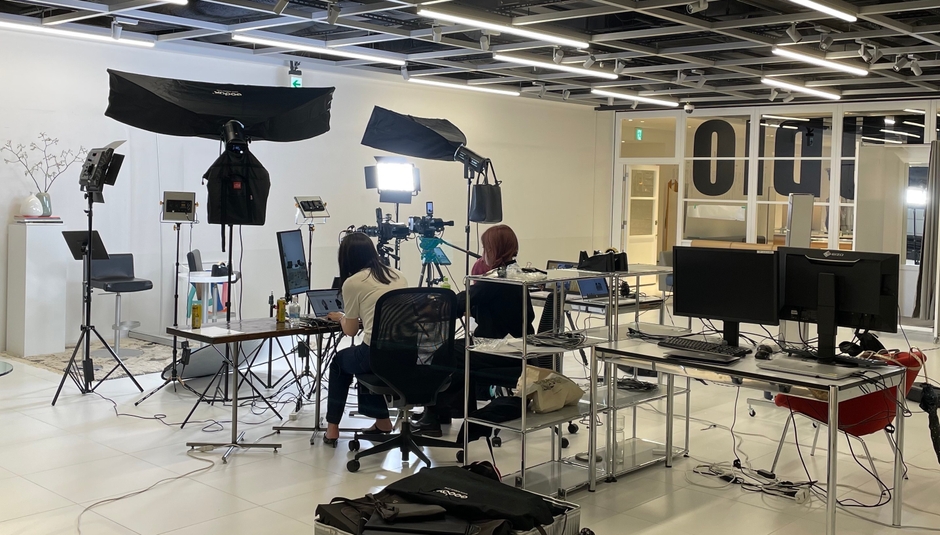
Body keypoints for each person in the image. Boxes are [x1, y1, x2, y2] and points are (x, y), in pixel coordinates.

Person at [414, 224, 534, 436]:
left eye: (485, 248)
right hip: (518, 345)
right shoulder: (516, 273)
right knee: (456, 352)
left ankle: (432, 415)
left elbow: (462, 302)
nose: (483, 253)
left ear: (494, 250)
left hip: (500, 349)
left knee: (442, 352)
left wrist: (430, 307)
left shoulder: (496, 279)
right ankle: (442, 410)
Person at [323, 232, 408, 446]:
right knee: (361, 361)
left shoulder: (353, 282)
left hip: (376, 353)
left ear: (346, 258)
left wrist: (342, 317)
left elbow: (351, 331)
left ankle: (332, 428)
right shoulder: (398, 275)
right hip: (406, 352)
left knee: (340, 362)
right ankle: (382, 422)